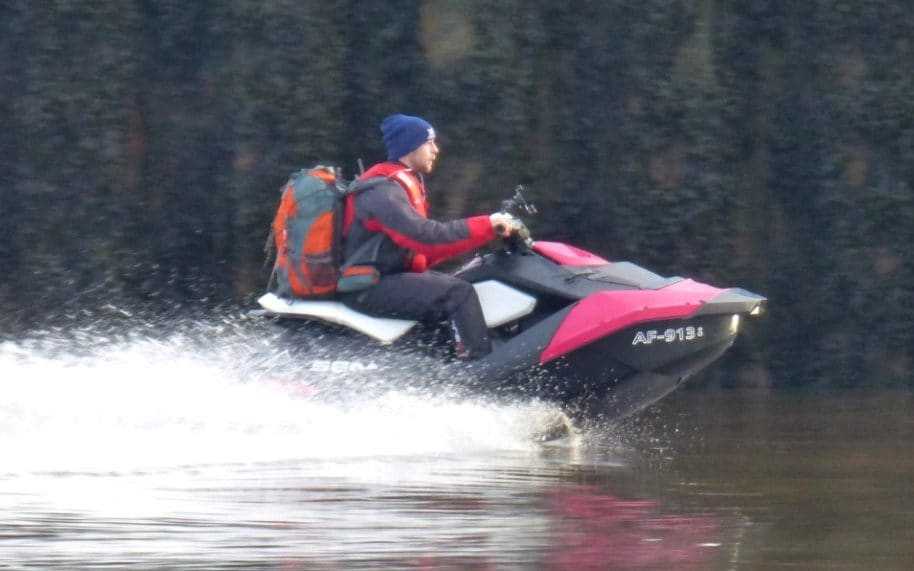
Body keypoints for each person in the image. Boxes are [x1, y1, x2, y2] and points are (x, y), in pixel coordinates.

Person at [339, 114, 519, 359]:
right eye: (429, 142)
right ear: (409, 146)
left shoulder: (397, 184)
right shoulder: (382, 191)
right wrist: (487, 225)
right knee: (459, 293)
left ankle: (445, 365)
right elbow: (426, 239)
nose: (436, 149)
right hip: (367, 288)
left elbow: (421, 251)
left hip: (383, 278)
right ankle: (482, 370)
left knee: (459, 281)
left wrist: (485, 237)